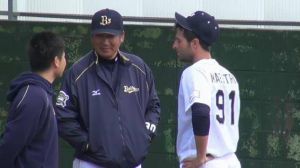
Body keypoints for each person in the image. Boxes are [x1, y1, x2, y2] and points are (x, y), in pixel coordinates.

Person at [55, 8, 161, 168]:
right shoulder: (78, 72)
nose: (105, 42)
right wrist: (87, 144)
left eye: (110, 36)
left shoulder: (139, 67)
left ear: (122, 36)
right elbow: (63, 116)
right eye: (100, 35)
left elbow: (153, 106)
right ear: (92, 37)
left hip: (133, 162)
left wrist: (144, 135)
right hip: (92, 163)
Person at [173, 11, 241, 168]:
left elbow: (201, 112)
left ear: (195, 43)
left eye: (179, 40)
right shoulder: (229, 76)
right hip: (230, 160)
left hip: (207, 162)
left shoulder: (194, 72)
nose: (174, 45)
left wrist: (200, 157)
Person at [0, 31, 66, 168]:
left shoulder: (40, 93)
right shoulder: (34, 97)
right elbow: (8, 147)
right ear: (56, 61)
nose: (66, 60)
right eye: (64, 56)